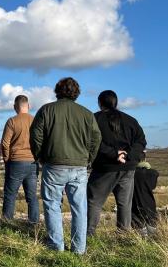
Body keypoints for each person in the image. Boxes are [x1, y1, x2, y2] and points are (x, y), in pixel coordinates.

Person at [30, 77, 101, 254]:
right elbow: (96, 138)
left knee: (52, 205)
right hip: (79, 166)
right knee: (79, 208)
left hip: (53, 165)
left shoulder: (46, 110)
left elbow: (35, 136)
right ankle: (79, 249)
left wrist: (40, 156)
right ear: (76, 93)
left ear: (57, 91)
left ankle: (56, 246)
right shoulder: (86, 114)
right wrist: (88, 159)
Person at [87, 90, 147, 235]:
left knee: (94, 201)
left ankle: (89, 234)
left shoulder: (94, 119)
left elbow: (92, 142)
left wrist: (114, 154)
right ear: (116, 102)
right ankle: (124, 234)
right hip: (128, 167)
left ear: (100, 103)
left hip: (105, 168)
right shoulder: (130, 120)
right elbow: (141, 141)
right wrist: (128, 155)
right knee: (124, 203)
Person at [1, 95, 39, 224]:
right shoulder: (36, 121)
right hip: (33, 162)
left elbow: (5, 143)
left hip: (16, 162)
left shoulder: (12, 121)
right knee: (32, 197)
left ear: (14, 107)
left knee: (10, 196)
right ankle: (34, 224)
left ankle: (7, 223)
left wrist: (7, 159)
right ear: (28, 106)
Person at [132, 152, 159, 236]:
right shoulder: (153, 173)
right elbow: (152, 186)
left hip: (135, 205)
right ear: (145, 159)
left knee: (139, 232)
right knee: (152, 232)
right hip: (150, 204)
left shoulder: (130, 174)